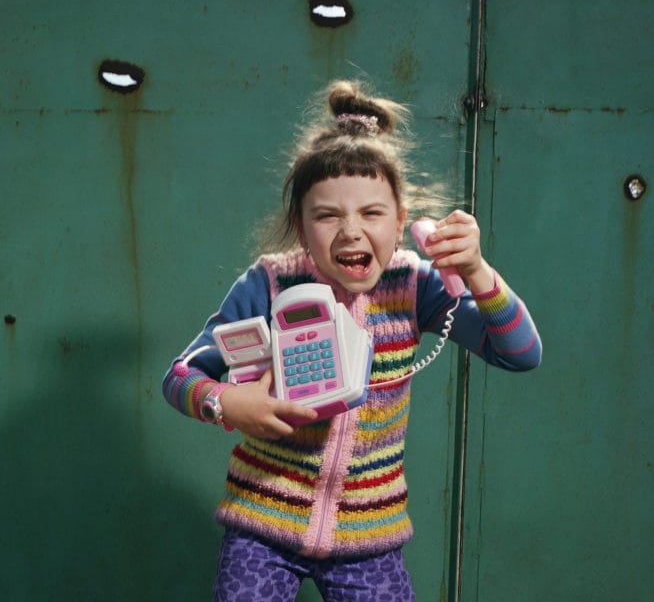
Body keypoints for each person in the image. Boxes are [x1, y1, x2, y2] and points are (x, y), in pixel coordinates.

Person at [162, 80, 542, 602]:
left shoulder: (415, 285)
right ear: (300, 224)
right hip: (261, 525)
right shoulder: (269, 282)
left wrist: (476, 272)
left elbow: (521, 353)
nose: (351, 232)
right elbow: (179, 377)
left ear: (402, 221)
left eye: (372, 213)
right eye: (327, 215)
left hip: (369, 537)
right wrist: (225, 402)